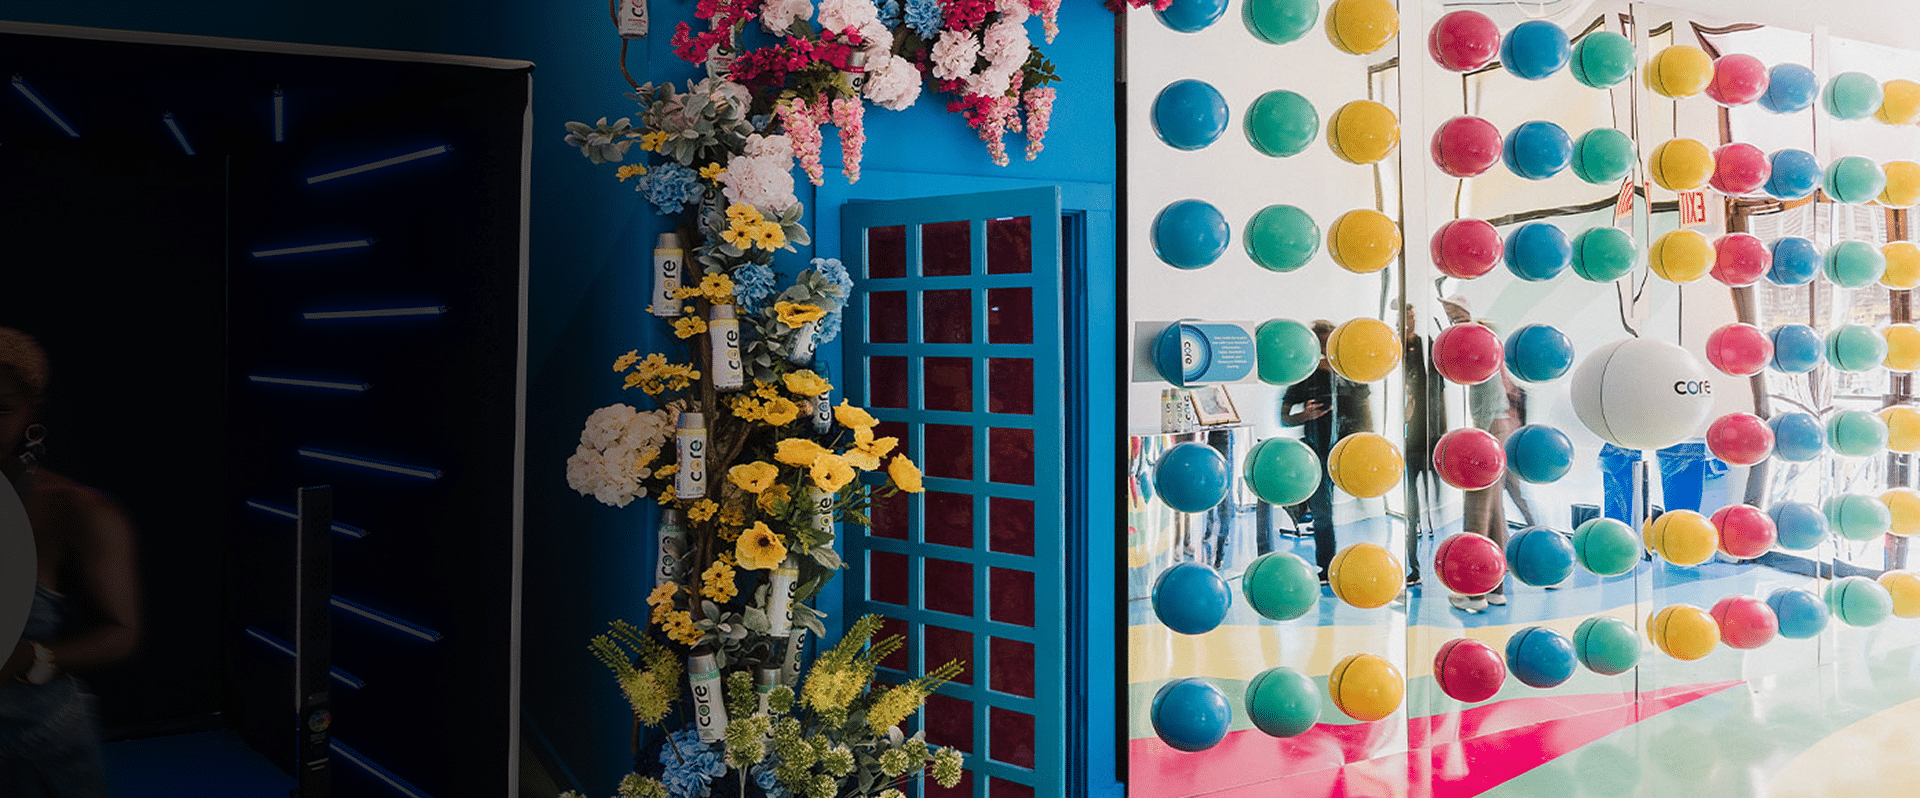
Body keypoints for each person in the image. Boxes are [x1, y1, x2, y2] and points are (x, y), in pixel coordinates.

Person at [0, 327, 139, 797]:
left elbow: (120, 632)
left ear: (30, 411)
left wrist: (35, 657)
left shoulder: (74, 510)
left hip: (40, 754)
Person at [1441, 297, 1534, 613]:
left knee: (1477, 514)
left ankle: (1475, 593)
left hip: (1489, 432)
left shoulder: (1473, 342)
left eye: (1453, 314)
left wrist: (1478, 436)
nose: (1450, 319)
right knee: (1493, 515)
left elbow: (1490, 399)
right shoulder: (1483, 345)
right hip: (1497, 431)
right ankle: (1495, 588)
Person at [1280, 320, 1373, 583]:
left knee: (1363, 508)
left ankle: (1363, 566)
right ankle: (1327, 567)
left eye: (1328, 342)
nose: (1325, 349)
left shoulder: (1352, 374)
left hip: (1352, 454)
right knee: (1323, 514)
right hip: (1317, 455)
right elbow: (1284, 417)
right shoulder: (1304, 376)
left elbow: (1366, 416)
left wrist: (1368, 448)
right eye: (1320, 343)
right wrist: (1305, 415)